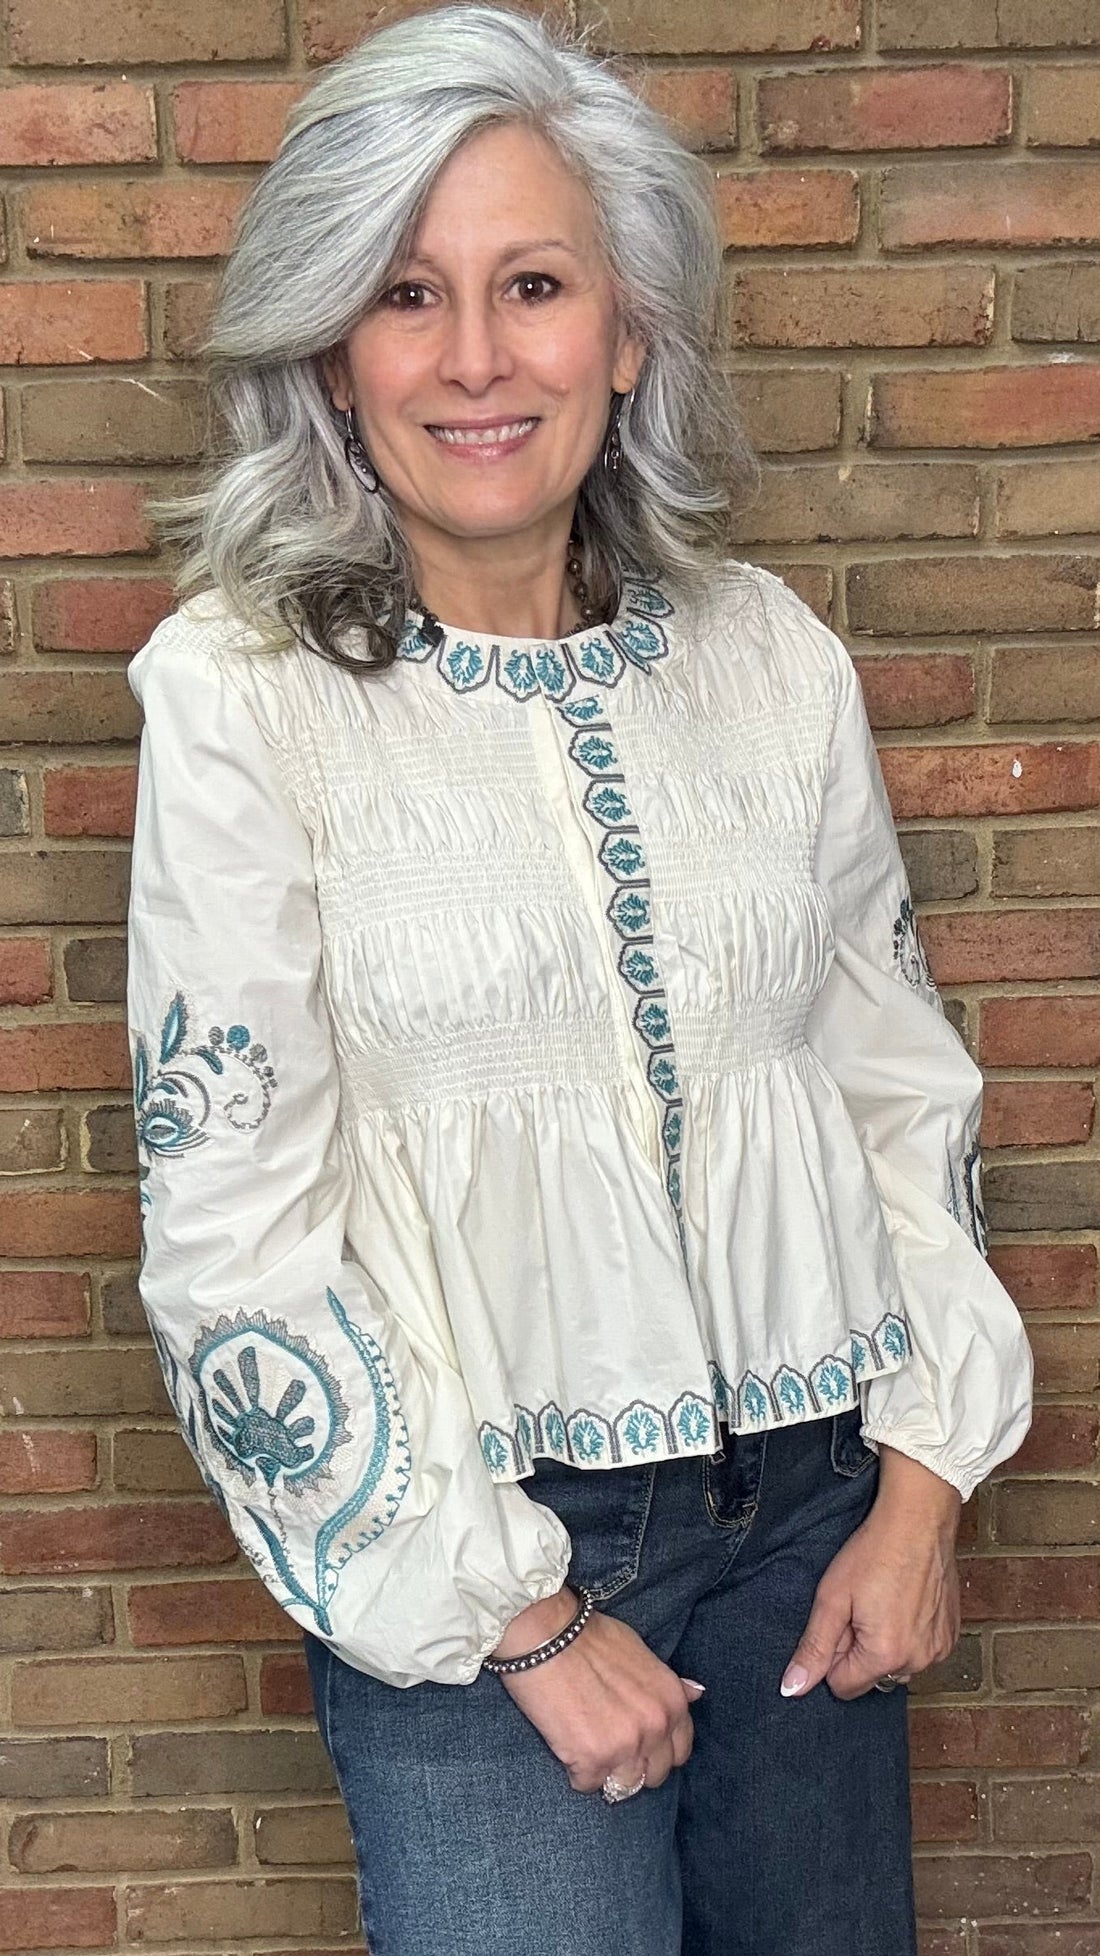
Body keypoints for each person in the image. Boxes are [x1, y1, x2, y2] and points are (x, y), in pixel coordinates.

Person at [124, 6, 1034, 1952]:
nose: (472, 358)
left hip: (813, 1531)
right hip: (473, 1557)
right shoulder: (239, 698)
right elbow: (233, 1233)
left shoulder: (768, 658)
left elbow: (896, 1082)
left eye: (531, 285)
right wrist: (514, 1613)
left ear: (625, 338)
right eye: (404, 295)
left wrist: (922, 1483)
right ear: (331, 355)